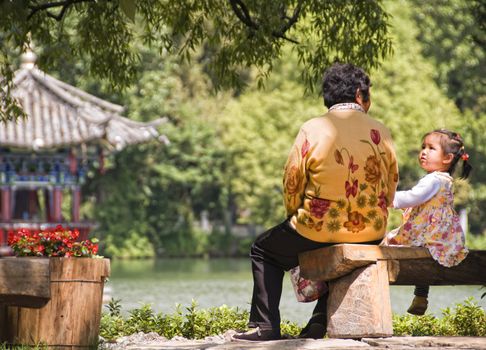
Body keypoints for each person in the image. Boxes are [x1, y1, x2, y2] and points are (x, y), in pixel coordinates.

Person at [232, 63, 399, 341]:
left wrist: (296, 216)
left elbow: (292, 182)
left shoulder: (312, 128)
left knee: (264, 251)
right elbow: (391, 183)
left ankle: (265, 326)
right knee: (339, 252)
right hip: (371, 232)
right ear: (360, 95)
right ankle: (318, 322)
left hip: (317, 227)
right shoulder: (381, 131)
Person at [383, 129, 471, 316]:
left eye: (431, 148)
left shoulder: (433, 180)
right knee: (426, 256)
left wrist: (389, 199)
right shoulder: (445, 180)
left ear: (447, 158)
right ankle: (421, 296)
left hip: (427, 231)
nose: (423, 151)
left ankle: (393, 289)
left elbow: (414, 196)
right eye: (423, 147)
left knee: (387, 242)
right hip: (440, 234)